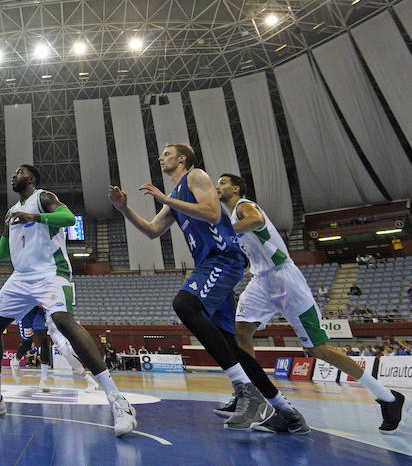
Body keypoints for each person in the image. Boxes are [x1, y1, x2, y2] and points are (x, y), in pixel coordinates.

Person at [0, 165, 136, 436]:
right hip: (21, 277)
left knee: (62, 321)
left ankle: (119, 402)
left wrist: (35, 217)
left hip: (51, 271)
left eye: (20, 172)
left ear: (32, 178)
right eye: (13, 173)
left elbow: (69, 218)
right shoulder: (10, 213)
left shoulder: (44, 197)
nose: (14, 175)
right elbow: (3, 250)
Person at [217, 173, 406, 433]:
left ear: (236, 188)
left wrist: (226, 230)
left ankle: (388, 397)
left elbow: (257, 220)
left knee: (319, 350)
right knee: (241, 332)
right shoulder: (229, 218)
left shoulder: (243, 206)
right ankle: (251, 394)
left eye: (222, 182)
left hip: (285, 279)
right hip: (261, 280)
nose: (218, 187)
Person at [109, 144, 279, 431]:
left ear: (182, 158)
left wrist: (166, 199)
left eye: (166, 153)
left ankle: (247, 393)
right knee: (230, 342)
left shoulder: (196, 176)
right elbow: (152, 231)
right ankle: (284, 409)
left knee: (184, 305)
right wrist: (124, 209)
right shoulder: (174, 197)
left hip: (222, 259)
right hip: (210, 264)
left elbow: (212, 214)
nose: (161, 157)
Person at [9, 305, 52, 392]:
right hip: (25, 313)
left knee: (44, 340)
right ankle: (15, 362)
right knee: (27, 344)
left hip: (38, 312)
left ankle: (44, 379)